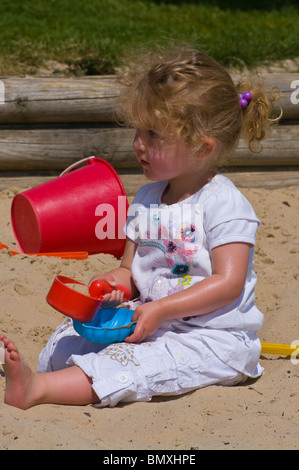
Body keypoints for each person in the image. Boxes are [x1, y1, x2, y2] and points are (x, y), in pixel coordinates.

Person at [1, 45, 280, 409]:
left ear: (201, 147)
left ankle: (38, 391)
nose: (138, 145)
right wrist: (113, 286)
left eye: (153, 134)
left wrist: (161, 310)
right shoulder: (147, 198)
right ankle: (48, 376)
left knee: (132, 366)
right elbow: (129, 270)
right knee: (64, 344)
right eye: (138, 131)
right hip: (148, 322)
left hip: (210, 339)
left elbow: (228, 284)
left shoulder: (223, 203)